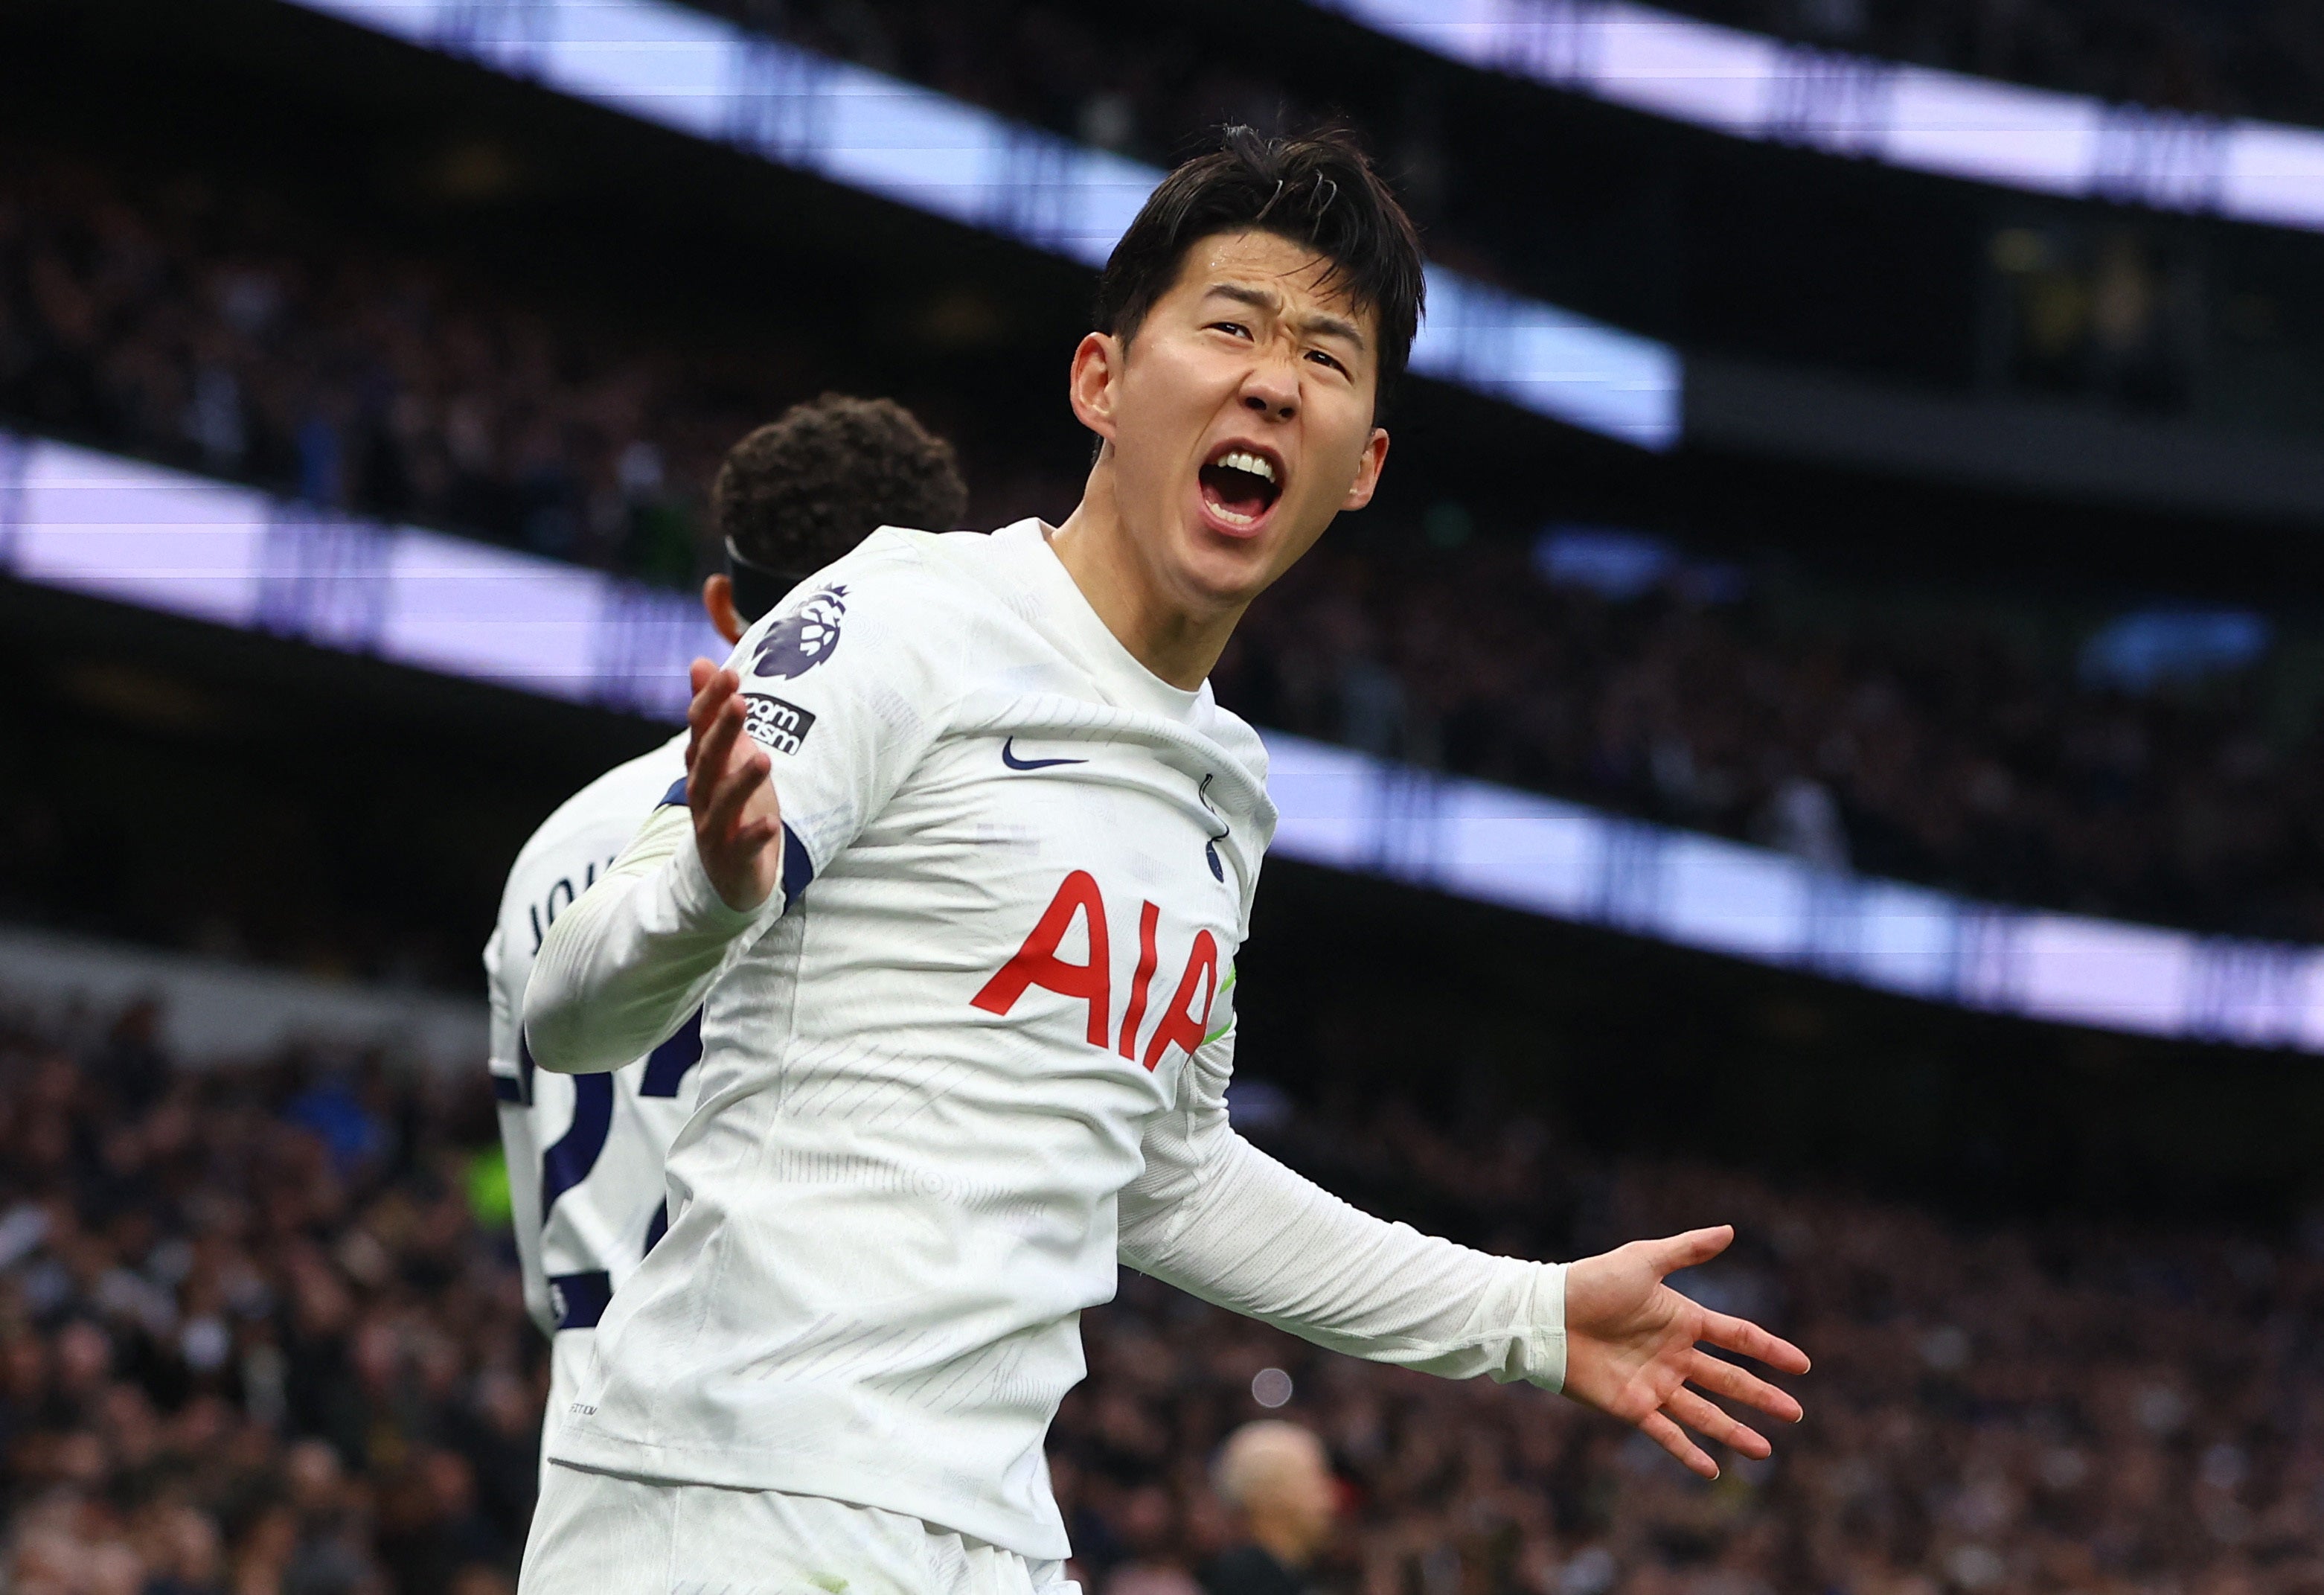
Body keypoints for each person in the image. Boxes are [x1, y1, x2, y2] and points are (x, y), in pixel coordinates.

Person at [519, 127, 1811, 1594]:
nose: (1274, 377)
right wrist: (707, 894)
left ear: (1364, 465)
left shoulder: (1222, 787)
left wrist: (1526, 1316)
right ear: (1101, 382)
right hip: (726, 1498)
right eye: (1229, 325)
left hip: (986, 1535)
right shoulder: (902, 614)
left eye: (1327, 356)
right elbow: (570, 1004)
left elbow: (1167, 1177)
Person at [481, 394, 968, 1483]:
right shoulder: (928, 845)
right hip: (831, 1464)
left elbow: (533, 1251)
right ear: (948, 604)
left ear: (720, 603)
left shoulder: (551, 854)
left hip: (593, 1457)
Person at [1200, 1422, 1337, 1595]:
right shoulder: (1245, 1582)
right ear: (1269, 1497)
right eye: (1316, 1481)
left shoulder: (1292, 1574)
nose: (1329, 1498)